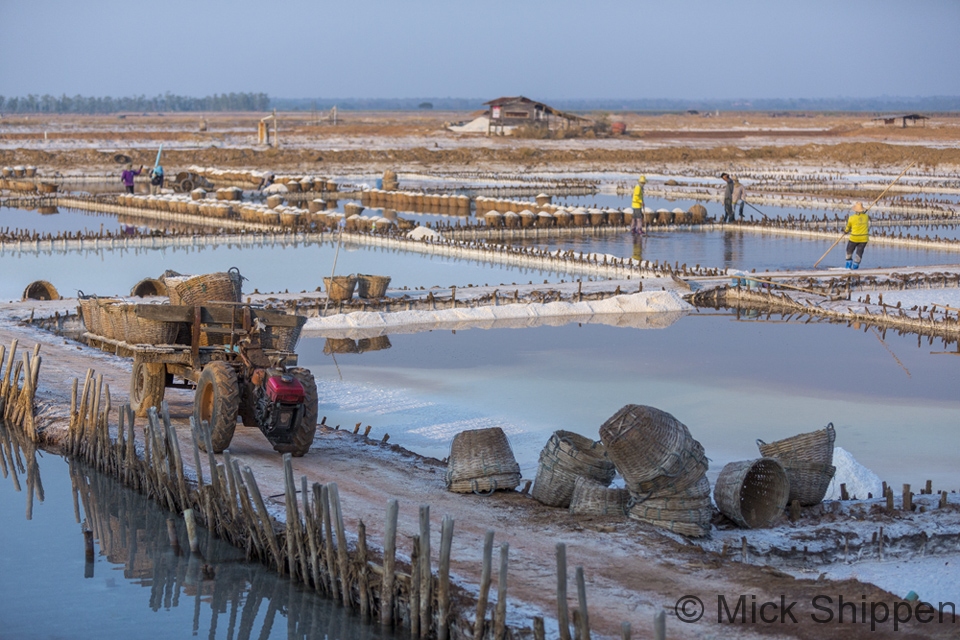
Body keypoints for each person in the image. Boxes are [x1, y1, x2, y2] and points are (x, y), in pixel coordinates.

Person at [844, 201, 869, 269]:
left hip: (854, 238)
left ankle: (848, 266)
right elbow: (862, 216)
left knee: (849, 251)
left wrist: (845, 231)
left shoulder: (851, 218)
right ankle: (855, 267)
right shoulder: (866, 217)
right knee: (859, 253)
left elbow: (848, 228)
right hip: (864, 239)